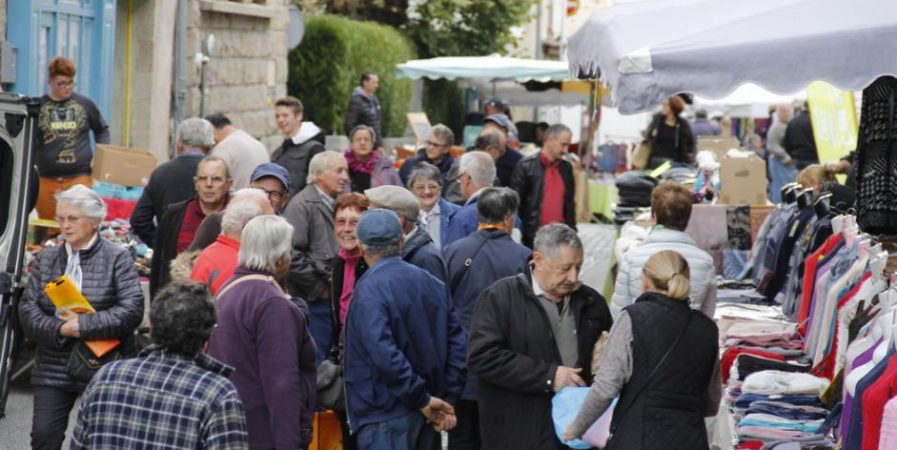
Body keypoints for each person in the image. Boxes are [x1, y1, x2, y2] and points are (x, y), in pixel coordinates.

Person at [18, 185, 144, 450]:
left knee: (100, 440)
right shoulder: (47, 258)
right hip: (54, 363)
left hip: (103, 363)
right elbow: (28, 310)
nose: (65, 225)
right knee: (43, 437)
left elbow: (132, 310)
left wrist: (83, 325)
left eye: (73, 218)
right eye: (61, 218)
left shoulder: (117, 258)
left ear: (95, 221)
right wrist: (60, 329)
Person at [467, 224, 613, 449]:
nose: (573, 277)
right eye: (564, 268)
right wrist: (549, 376)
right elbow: (482, 357)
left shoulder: (591, 302)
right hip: (519, 433)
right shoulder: (500, 297)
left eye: (578, 267)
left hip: (573, 434)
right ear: (538, 259)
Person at [564, 251, 721, 450]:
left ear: (645, 281)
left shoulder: (632, 318)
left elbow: (606, 387)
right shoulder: (707, 329)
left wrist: (577, 427)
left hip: (638, 436)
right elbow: (711, 401)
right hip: (691, 438)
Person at [71, 282, 249, 449]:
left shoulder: (106, 377)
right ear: (207, 336)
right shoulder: (217, 394)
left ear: (154, 324)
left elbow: (79, 444)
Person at [344, 209, 466, 450]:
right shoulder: (432, 284)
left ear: (360, 246)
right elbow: (458, 345)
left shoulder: (369, 290)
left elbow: (383, 352)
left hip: (385, 416)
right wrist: (443, 398)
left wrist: (423, 399)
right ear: (401, 241)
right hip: (424, 409)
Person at [208, 215, 317, 450]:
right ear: (280, 257)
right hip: (262, 434)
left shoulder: (229, 288)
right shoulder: (270, 302)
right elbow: (281, 383)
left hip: (231, 428)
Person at [442, 187, 532, 450]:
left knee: (462, 439)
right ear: (509, 218)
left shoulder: (452, 252)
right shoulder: (523, 257)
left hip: (461, 364)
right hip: (505, 367)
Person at [282, 150, 349, 363]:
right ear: (319, 174)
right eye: (339, 171)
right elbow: (290, 255)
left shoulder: (334, 202)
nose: (345, 177)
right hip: (314, 302)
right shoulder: (302, 205)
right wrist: (319, 289)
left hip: (330, 299)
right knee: (317, 361)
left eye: (346, 171)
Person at [612, 181, 716, 319]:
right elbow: (707, 315)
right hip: (688, 338)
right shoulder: (705, 261)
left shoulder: (632, 258)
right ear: (688, 218)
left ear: (653, 217)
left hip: (639, 338)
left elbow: (619, 312)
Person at [34, 56, 110, 219]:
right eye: (61, 83)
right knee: (47, 227)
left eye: (70, 83)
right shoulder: (39, 106)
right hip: (46, 179)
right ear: (50, 82)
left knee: (79, 222)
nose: (66, 88)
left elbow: (102, 130)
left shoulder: (85, 104)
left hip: (79, 177)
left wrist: (100, 157)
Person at [150, 155, 232, 297]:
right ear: (195, 183)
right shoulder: (174, 215)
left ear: (228, 184)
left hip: (225, 298)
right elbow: (158, 267)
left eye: (216, 179)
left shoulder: (237, 217)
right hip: (180, 302)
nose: (208, 184)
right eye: (202, 178)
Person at [132, 117, 214, 247]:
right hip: (207, 255)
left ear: (179, 144)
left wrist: (160, 244)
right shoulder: (217, 175)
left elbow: (139, 220)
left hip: (169, 257)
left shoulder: (161, 172)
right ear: (209, 147)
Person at [187, 162, 293, 252]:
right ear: (249, 189)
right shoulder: (218, 221)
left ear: (284, 200)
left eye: (274, 194)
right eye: (261, 191)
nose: (266, 197)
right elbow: (190, 261)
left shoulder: (284, 232)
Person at [190, 188, 274, 295]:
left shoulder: (210, 253)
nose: (274, 229)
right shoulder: (240, 268)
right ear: (249, 224)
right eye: (269, 221)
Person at [510, 124, 577, 248]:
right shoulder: (526, 166)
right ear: (550, 140)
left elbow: (570, 205)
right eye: (563, 144)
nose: (566, 150)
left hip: (560, 240)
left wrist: (572, 233)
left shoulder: (566, 168)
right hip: (532, 239)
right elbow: (516, 206)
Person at [365, 185, 446, 281]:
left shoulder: (426, 259)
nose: (367, 221)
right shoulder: (391, 249)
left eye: (373, 215)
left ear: (398, 219)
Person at [272, 96, 326, 196]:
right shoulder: (278, 152)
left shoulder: (315, 148)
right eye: (277, 116)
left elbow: (320, 185)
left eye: (285, 115)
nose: (280, 120)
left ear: (299, 116)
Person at [443, 151, 497, 247]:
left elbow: (452, 258)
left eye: (459, 177)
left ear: (466, 178)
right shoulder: (511, 215)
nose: (459, 183)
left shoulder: (462, 219)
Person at [206, 112, 270, 190]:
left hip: (238, 200)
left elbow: (214, 186)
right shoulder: (258, 144)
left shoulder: (222, 148)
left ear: (211, 131)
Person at [443, 127, 506, 203]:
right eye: (501, 151)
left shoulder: (485, 166)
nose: (502, 155)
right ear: (489, 149)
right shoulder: (464, 164)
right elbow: (454, 200)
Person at [409, 162, 460, 249]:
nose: (427, 192)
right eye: (421, 187)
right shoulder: (406, 217)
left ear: (440, 187)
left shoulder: (457, 213)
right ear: (412, 190)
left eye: (432, 186)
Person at [345, 125, 401, 192]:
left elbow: (400, 193)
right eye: (358, 139)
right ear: (351, 144)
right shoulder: (343, 166)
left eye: (366, 139)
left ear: (372, 144)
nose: (362, 143)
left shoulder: (385, 166)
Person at [645, 95, 696, 167]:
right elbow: (647, 136)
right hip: (656, 162)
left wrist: (689, 158)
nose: (662, 106)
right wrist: (651, 135)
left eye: (665, 105)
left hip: (675, 163)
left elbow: (690, 144)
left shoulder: (683, 124)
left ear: (673, 107)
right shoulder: (657, 120)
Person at [767, 104, 797, 203]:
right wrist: (785, 157)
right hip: (779, 161)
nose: (786, 114)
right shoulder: (776, 127)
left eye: (788, 111)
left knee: (789, 186)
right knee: (780, 187)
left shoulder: (790, 124)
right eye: (783, 111)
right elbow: (772, 145)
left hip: (789, 162)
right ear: (779, 114)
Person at [344, 71, 383, 148]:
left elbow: (376, 123)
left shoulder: (374, 99)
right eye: (374, 82)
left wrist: (378, 143)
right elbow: (349, 125)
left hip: (374, 145)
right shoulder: (356, 100)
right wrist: (358, 142)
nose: (376, 85)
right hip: (362, 146)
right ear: (365, 82)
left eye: (377, 83)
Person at [483, 113, 523, 187]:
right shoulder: (475, 155)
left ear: (506, 134)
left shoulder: (517, 160)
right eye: (487, 128)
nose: (490, 133)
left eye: (496, 129)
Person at [784, 102, 818, 170]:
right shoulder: (816, 121)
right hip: (814, 158)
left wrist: (792, 155)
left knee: (799, 179)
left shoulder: (793, 121)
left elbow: (786, 142)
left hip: (798, 158)